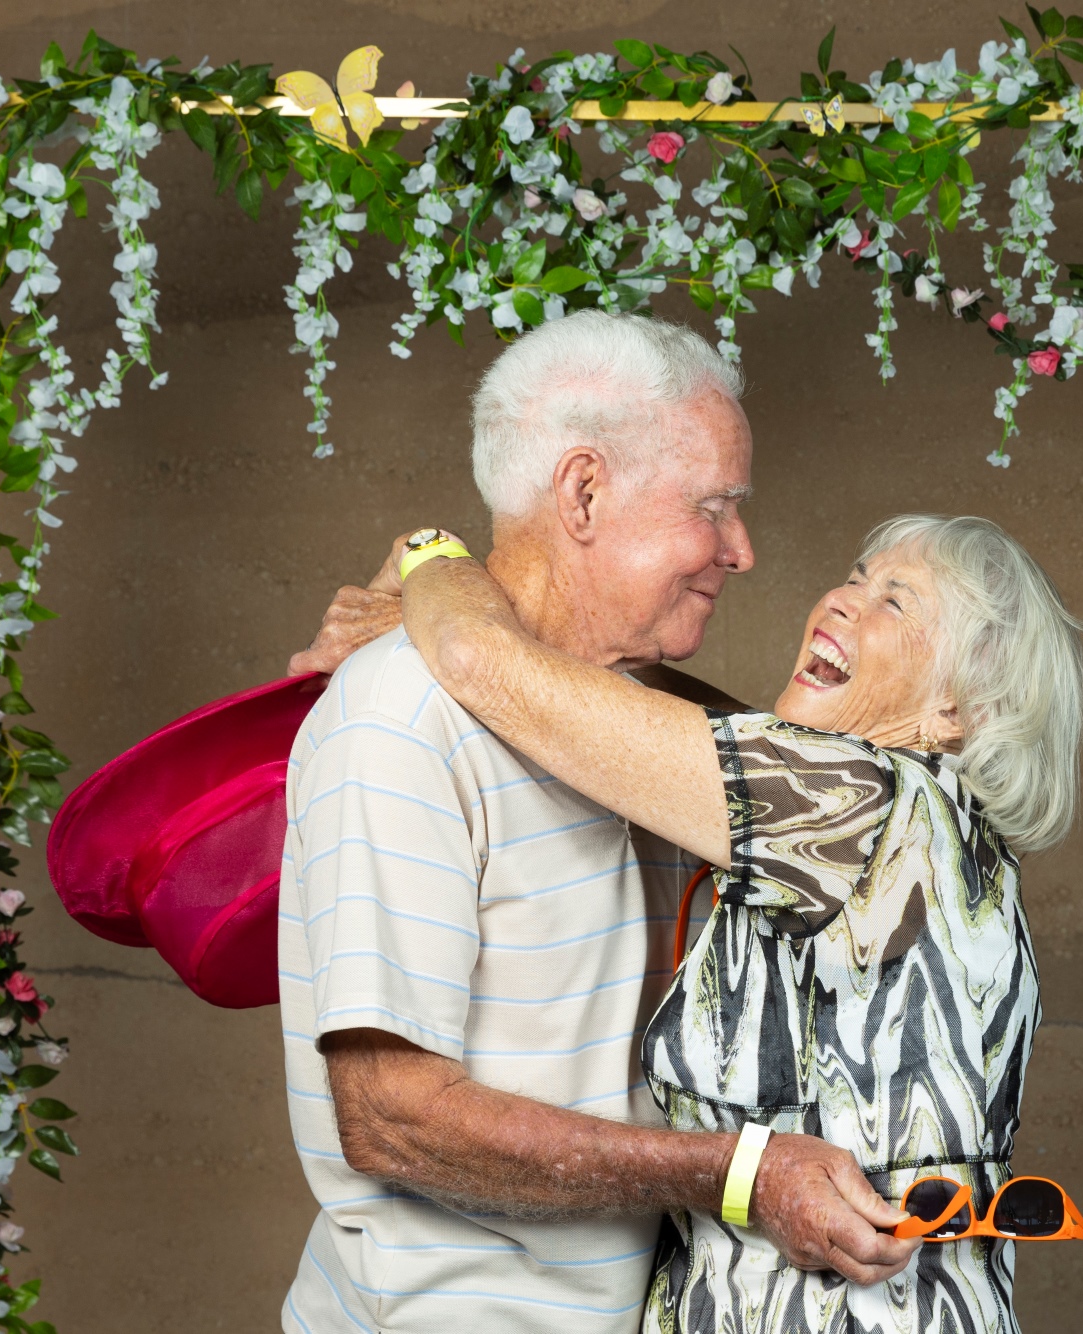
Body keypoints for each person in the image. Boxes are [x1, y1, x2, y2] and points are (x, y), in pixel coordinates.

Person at [277, 311, 916, 1334]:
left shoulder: (635, 730)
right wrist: (739, 1174)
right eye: (715, 505)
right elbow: (391, 1116)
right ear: (582, 492)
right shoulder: (401, 716)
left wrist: (433, 558)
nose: (741, 550)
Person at [391, 510, 1083, 1333]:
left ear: (959, 711)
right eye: (856, 576)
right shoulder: (948, 834)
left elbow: (479, 660)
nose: (841, 599)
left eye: (894, 603)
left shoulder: (858, 809)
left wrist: (426, 562)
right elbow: (684, 724)